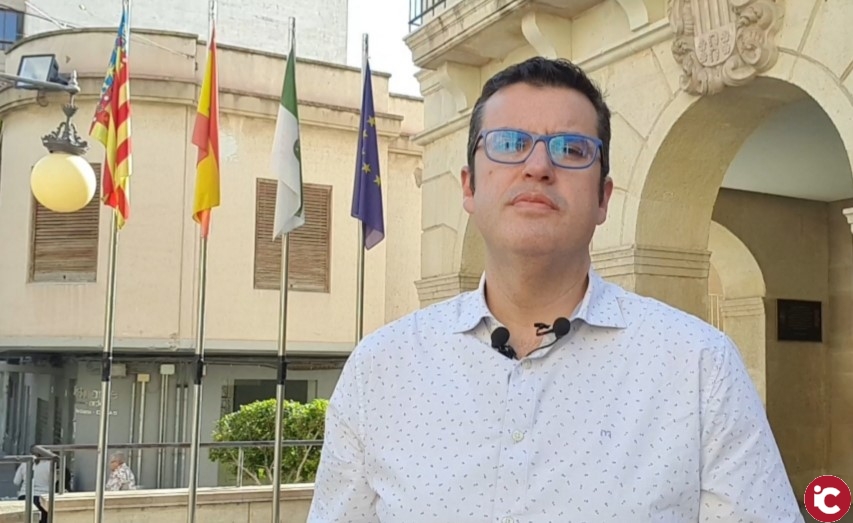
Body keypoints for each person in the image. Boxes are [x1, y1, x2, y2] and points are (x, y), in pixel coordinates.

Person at [307, 57, 803, 522]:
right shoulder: (380, 371)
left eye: (571, 149)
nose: (538, 166)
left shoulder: (699, 368)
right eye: (508, 143)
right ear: (468, 187)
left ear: (603, 198)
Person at [13, 456, 51, 523]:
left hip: (24, 495)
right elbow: (54, 481)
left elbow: (16, 481)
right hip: (43, 498)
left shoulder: (25, 463)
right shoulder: (50, 464)